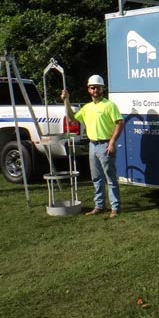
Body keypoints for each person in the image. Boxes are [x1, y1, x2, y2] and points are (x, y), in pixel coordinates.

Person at [62, 74, 125, 218]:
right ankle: (99, 206)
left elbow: (120, 122)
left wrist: (112, 142)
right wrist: (67, 100)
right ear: (89, 89)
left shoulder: (109, 105)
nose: (95, 90)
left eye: (98, 87)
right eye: (92, 87)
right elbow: (72, 119)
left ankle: (115, 208)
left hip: (105, 145)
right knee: (96, 178)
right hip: (92, 145)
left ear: (102, 89)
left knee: (110, 178)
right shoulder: (87, 108)